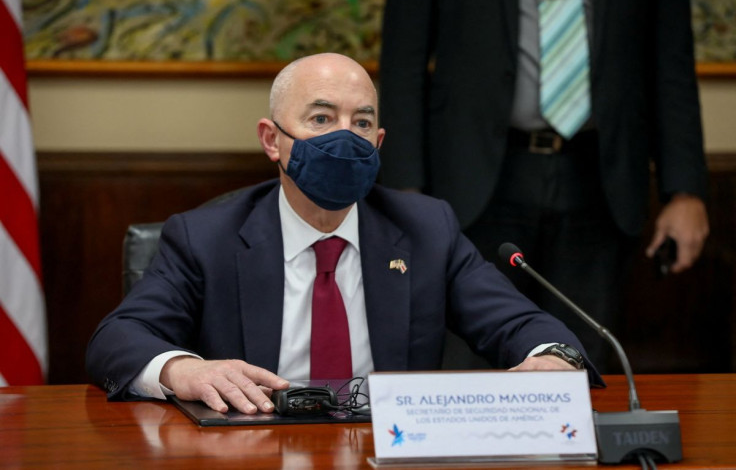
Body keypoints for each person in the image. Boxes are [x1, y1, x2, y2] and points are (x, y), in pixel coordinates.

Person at [86, 53, 602, 415]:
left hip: (388, 448)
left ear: (378, 142)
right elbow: (116, 339)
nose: (344, 137)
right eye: (320, 118)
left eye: (360, 123)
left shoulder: (426, 230)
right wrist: (184, 371)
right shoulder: (206, 237)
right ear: (272, 140)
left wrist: (553, 359)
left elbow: (519, 325)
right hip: (251, 450)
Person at [378, 0, 710, 371]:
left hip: (601, 177)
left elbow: (672, 61)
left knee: (582, 362)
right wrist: (405, 194)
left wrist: (684, 191)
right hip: (472, 178)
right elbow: (403, 58)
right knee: (466, 363)